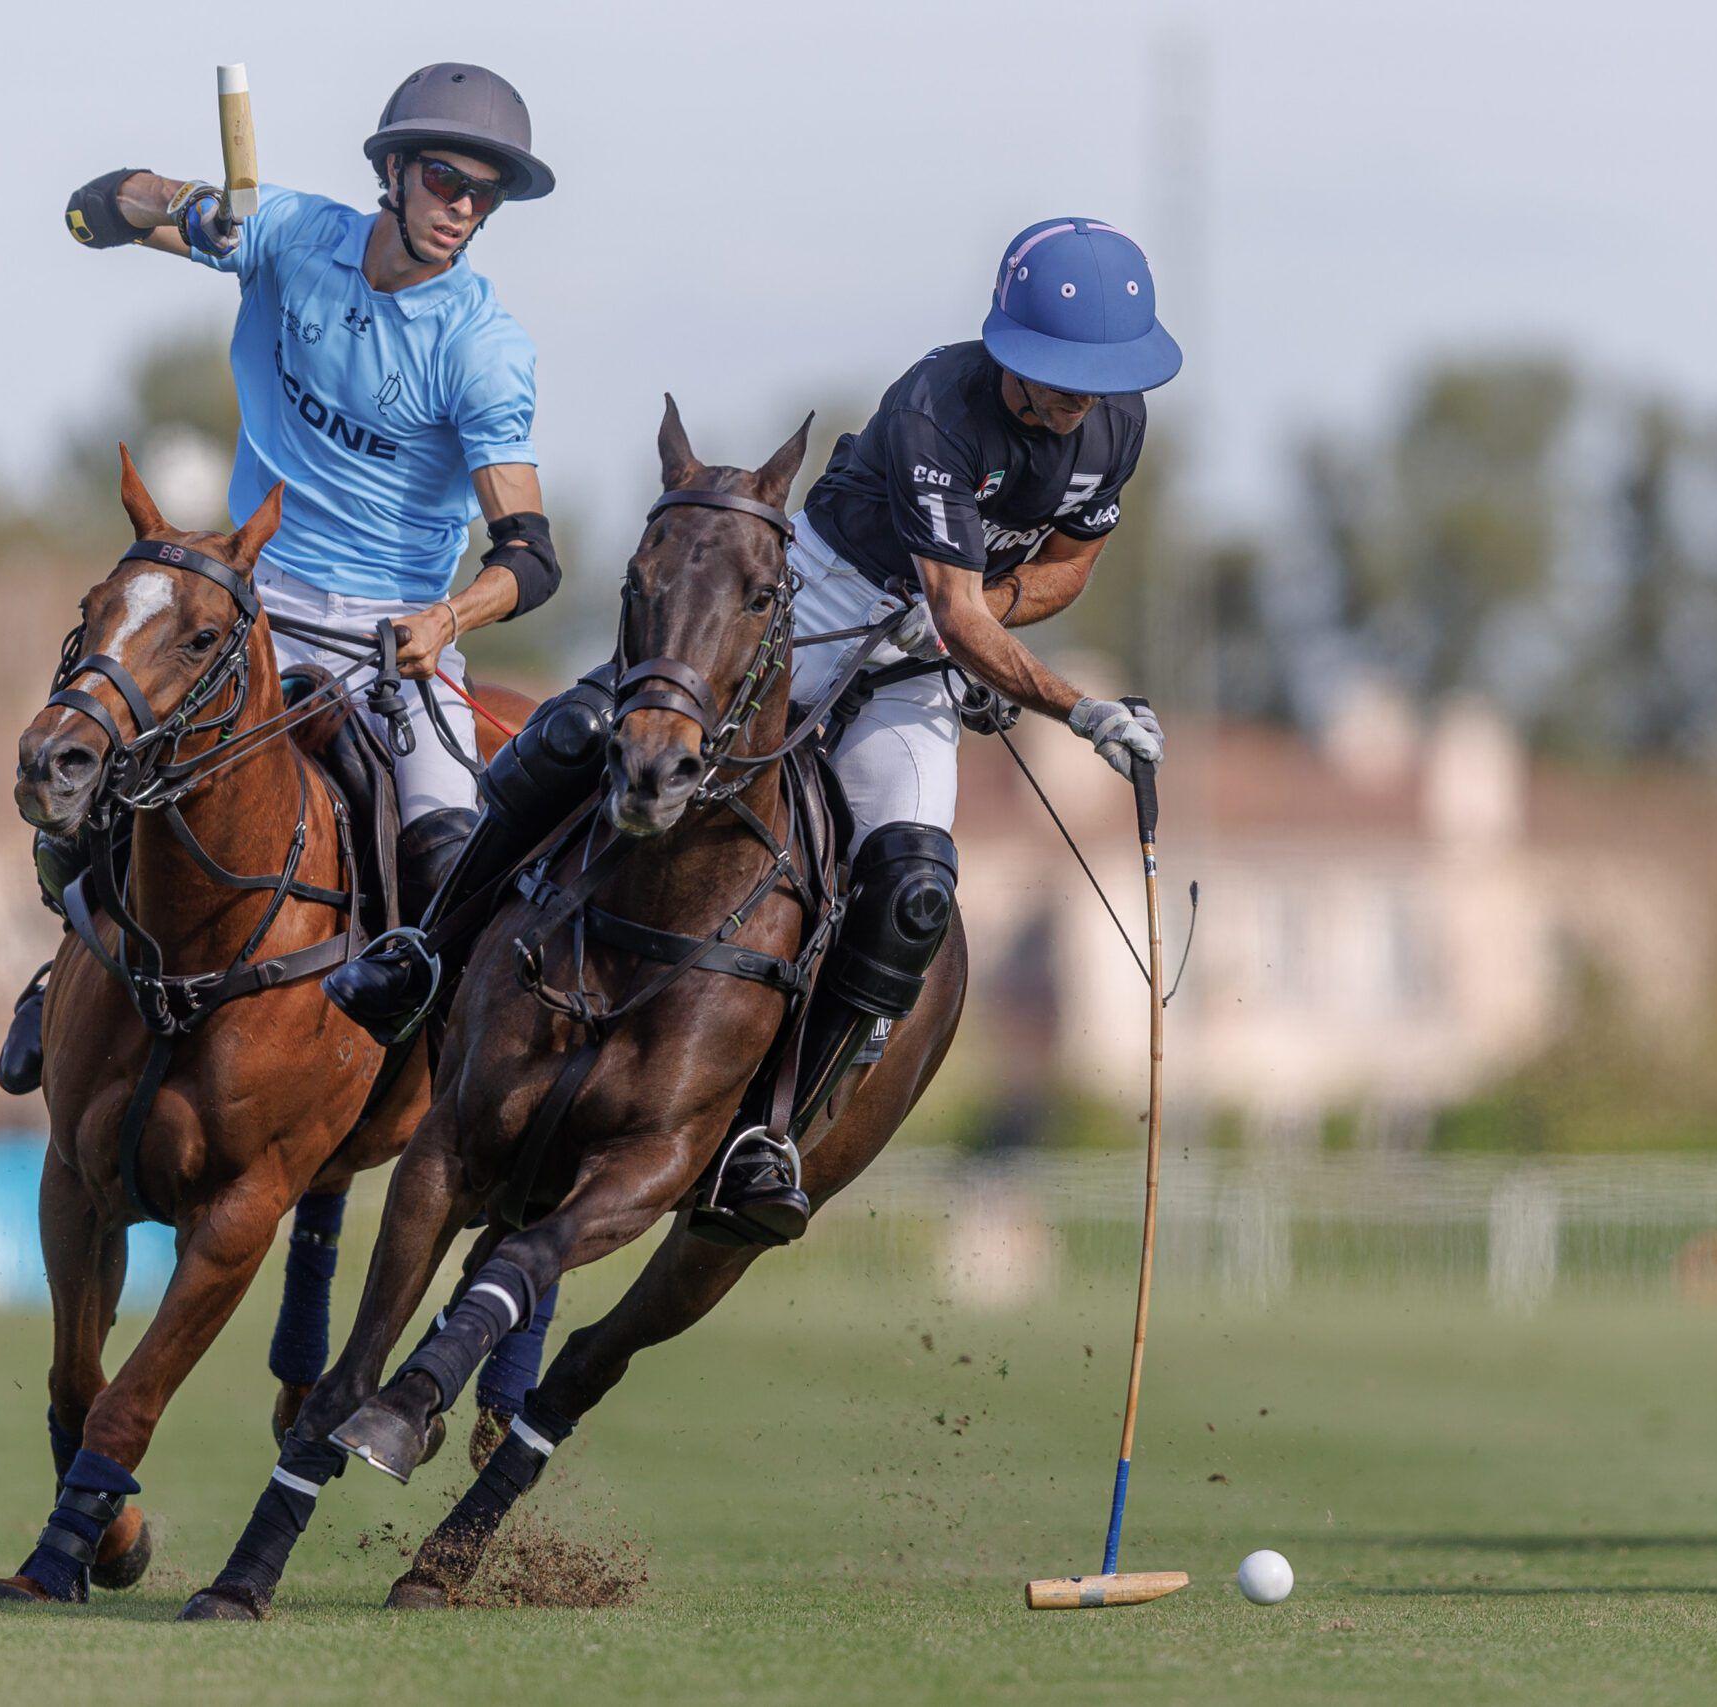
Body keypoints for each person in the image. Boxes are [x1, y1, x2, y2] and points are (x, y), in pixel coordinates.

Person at [330, 216, 1178, 1250]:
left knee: (914, 895)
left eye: (1094, 378)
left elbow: (1063, 566)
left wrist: (991, 605)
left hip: (918, 651)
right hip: (816, 598)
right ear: (1007, 348)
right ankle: (428, 951)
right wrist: (1078, 707)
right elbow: (957, 618)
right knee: (576, 733)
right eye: (1056, 375)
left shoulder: (1112, 427)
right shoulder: (935, 408)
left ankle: (770, 1135)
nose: (1073, 399)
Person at [0, 63, 566, 1096]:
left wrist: (448, 619)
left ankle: (419, 1088)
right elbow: (102, 206)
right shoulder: (294, 234)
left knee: (447, 854)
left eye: (485, 195)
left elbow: (530, 556)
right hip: (252, 608)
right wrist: (187, 214)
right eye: (446, 180)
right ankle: (62, 981)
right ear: (394, 172)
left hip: (394, 639)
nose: (463, 209)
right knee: (97, 775)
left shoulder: (482, 348)